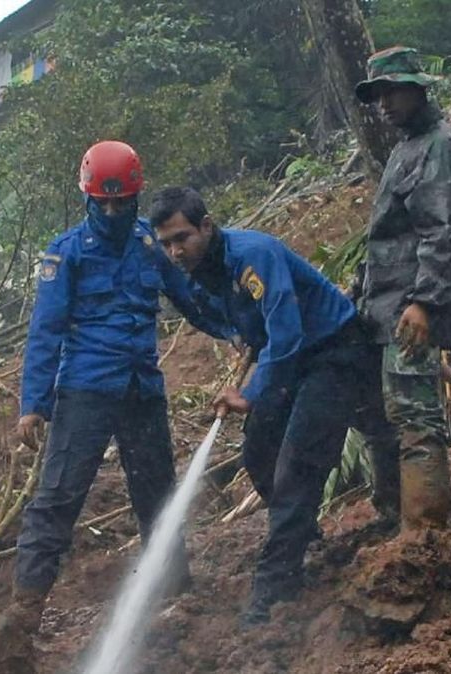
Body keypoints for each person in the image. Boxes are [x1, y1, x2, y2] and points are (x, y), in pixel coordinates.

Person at [149, 186, 403, 624]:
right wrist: (237, 334)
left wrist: (250, 392)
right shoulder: (199, 273)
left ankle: (272, 594)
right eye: (167, 243)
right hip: (290, 363)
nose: (175, 251)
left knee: (298, 468)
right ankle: (307, 539)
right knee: (259, 452)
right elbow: (229, 319)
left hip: (334, 353)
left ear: (206, 226)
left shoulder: (253, 255)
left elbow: (286, 332)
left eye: (182, 238)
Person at [6, 141, 230, 633]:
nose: (111, 212)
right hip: (85, 390)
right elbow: (45, 330)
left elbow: (190, 298)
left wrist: (234, 329)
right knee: (58, 498)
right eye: (102, 203)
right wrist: (33, 404)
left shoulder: (151, 244)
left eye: (121, 203)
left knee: (157, 494)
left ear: (135, 198)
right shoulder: (66, 253)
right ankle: (24, 613)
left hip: (141, 389)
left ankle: (174, 596)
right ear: (88, 198)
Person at [353, 46, 451, 529]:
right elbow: (390, 238)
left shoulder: (440, 147)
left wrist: (424, 303)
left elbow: (444, 232)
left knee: (416, 420)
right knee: (392, 418)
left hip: (410, 309)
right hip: (388, 307)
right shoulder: (406, 148)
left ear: (418, 89)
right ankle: (400, 521)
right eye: (378, 95)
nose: (384, 104)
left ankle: (425, 534)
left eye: (393, 92)